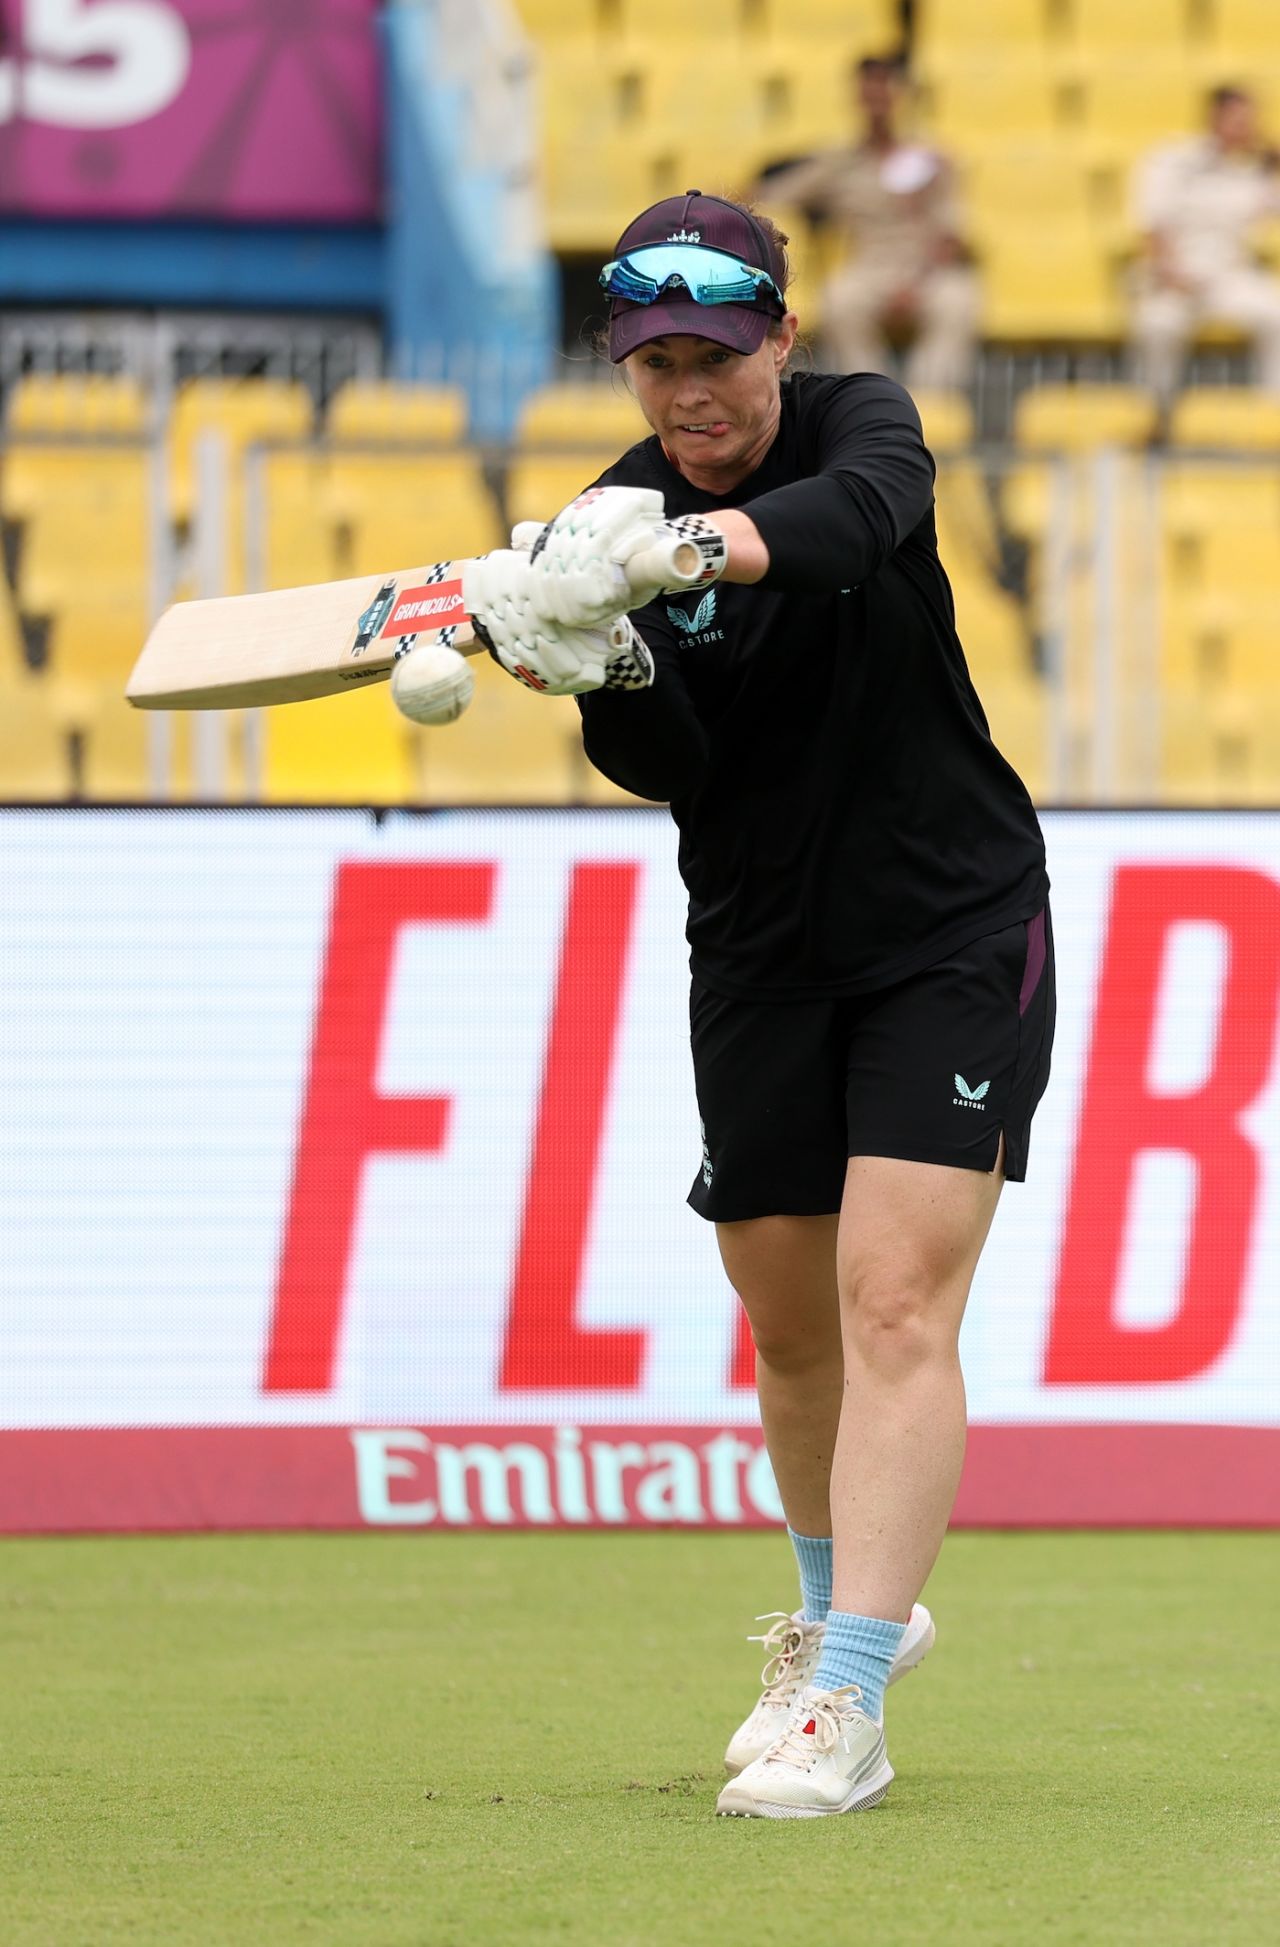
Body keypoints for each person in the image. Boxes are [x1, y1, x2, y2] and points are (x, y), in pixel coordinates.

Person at [461, 191, 1054, 1820]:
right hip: (759, 948)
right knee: (792, 1330)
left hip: (949, 927)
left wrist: (682, 553)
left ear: (779, 338)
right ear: (623, 364)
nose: (687, 392)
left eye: (716, 353)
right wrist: (594, 662)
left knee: (888, 1305)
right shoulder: (601, 522)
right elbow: (672, 770)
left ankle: (847, 1694)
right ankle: (837, 1613)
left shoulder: (863, 420)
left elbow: (858, 525)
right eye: (654, 360)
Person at [754, 54, 979, 391]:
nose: (878, 104)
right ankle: (874, 398)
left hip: (928, 270)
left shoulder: (932, 161)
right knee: (840, 299)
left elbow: (951, 236)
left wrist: (915, 283)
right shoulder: (839, 163)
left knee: (958, 299)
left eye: (885, 92)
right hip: (871, 268)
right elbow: (775, 194)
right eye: (869, 94)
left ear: (902, 97)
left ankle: (929, 405)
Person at [1130, 83, 1280, 405]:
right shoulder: (1171, 159)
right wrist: (1170, 272)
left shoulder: (1250, 173)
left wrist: (1273, 155)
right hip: (1171, 276)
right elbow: (1152, 224)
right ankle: (1156, 413)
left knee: (1276, 312)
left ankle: (1274, 414)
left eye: (1250, 120)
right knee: (1159, 326)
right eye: (1239, 120)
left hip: (1226, 278)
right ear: (1215, 117)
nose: (1245, 128)